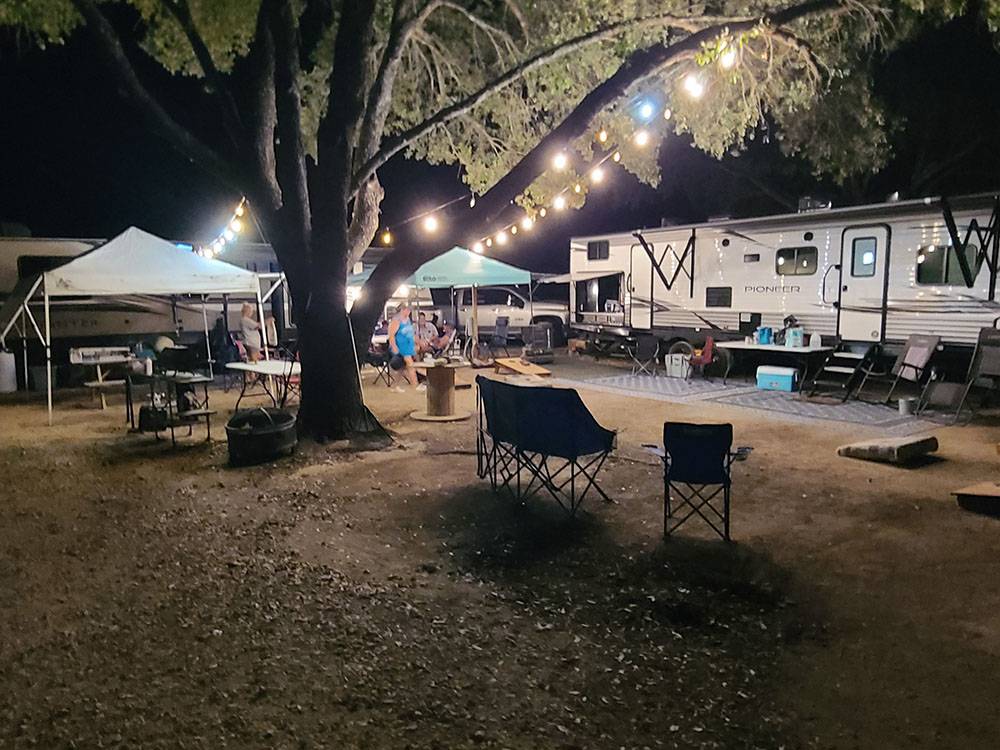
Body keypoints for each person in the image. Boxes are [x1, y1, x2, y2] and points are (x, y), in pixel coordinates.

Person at [387, 303, 421, 390]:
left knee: (402, 367)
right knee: (410, 364)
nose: (409, 311)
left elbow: (410, 334)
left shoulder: (408, 320)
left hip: (408, 346)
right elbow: (391, 335)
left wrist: (417, 342)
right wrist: (394, 347)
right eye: (407, 310)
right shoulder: (396, 320)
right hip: (400, 346)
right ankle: (415, 385)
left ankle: (395, 386)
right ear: (402, 310)